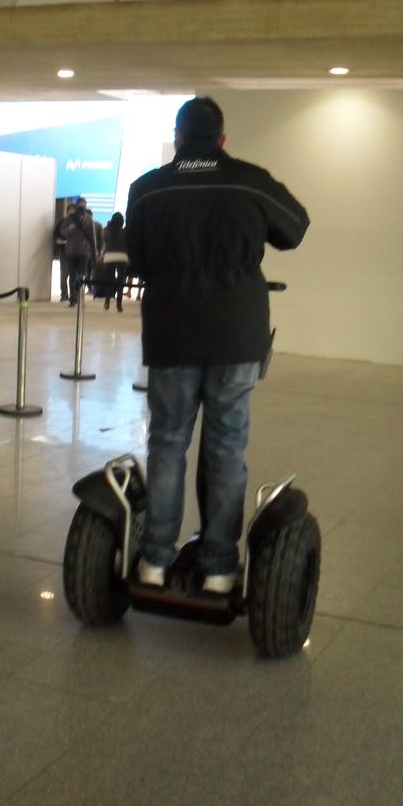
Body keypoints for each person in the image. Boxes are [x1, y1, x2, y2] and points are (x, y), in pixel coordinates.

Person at [125, 97, 309, 593]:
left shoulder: (146, 188)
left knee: (167, 444)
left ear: (179, 136)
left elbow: (137, 260)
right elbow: (296, 229)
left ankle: (155, 562)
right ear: (222, 139)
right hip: (235, 334)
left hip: (171, 333)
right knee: (227, 449)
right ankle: (219, 569)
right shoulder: (249, 180)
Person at [61, 197, 97, 306]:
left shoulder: (88, 220)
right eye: (81, 204)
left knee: (81, 276)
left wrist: (94, 252)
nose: (82, 206)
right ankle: (73, 298)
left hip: (84, 252)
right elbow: (62, 232)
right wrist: (70, 229)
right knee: (72, 276)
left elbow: (92, 237)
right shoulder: (69, 219)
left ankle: (79, 298)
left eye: (84, 204)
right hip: (71, 251)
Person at [100, 212, 128, 312]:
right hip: (122, 257)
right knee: (121, 281)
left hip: (109, 257)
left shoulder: (105, 231)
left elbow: (102, 245)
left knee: (109, 280)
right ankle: (119, 305)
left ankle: (107, 300)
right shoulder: (125, 232)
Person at [53, 202, 75, 301]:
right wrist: (60, 242)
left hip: (76, 254)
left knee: (74, 276)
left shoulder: (80, 223)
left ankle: (73, 295)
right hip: (64, 252)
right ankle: (64, 294)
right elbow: (56, 236)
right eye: (70, 210)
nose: (72, 212)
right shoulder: (61, 222)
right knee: (63, 275)